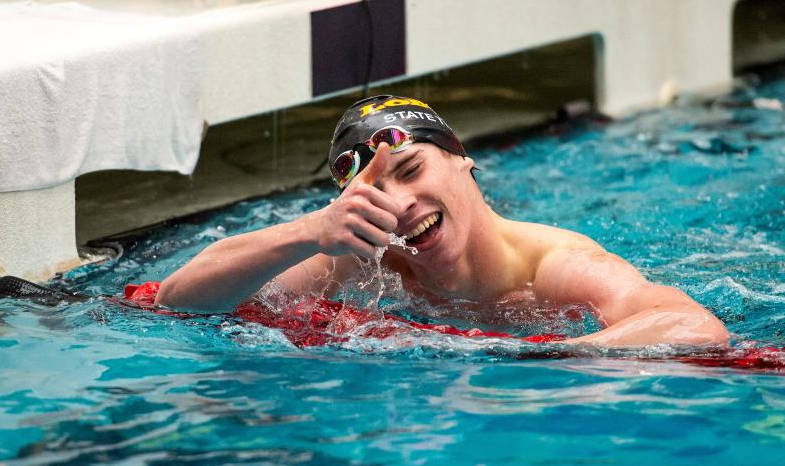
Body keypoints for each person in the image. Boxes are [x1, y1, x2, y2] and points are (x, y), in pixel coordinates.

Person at [156, 95, 728, 348]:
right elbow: (179, 299)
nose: (397, 203)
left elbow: (696, 329)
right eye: (373, 191)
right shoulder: (357, 259)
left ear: (462, 160)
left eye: (410, 170)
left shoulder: (551, 266)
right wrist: (310, 232)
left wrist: (543, 358)